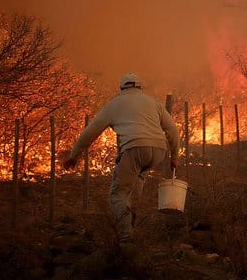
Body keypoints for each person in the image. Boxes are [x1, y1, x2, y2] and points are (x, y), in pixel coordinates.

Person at [63, 73, 180, 248]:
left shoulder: (115, 104)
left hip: (134, 149)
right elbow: (172, 130)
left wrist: (74, 155)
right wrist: (174, 157)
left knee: (117, 194)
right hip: (158, 151)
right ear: (140, 87)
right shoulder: (153, 102)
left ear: (121, 88)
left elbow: (91, 132)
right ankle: (131, 220)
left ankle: (126, 237)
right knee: (136, 181)